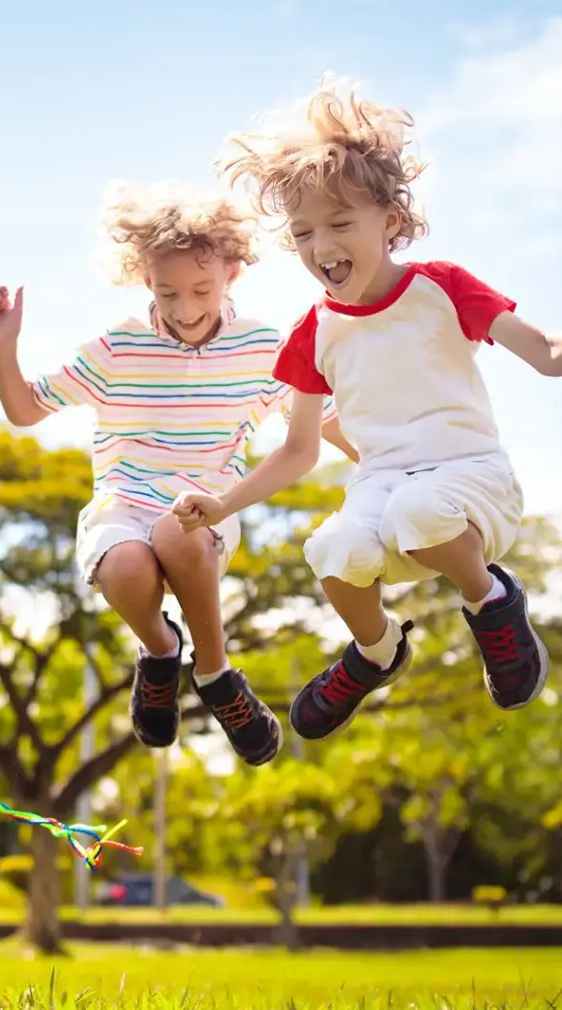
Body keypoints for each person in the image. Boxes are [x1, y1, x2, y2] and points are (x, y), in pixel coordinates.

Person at [174, 76, 558, 741]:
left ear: (392, 220)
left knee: (420, 509)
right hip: (385, 498)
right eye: (303, 232)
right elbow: (298, 449)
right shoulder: (312, 334)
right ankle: (377, 650)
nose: (322, 247)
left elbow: (545, 353)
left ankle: (490, 600)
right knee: (332, 546)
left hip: (472, 484)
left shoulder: (441, 288)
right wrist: (223, 503)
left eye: (341, 223)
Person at [0, 181, 354, 766]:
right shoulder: (116, 348)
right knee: (125, 564)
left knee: (175, 532)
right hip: (123, 503)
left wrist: (395, 464)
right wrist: (5, 346)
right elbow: (26, 410)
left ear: (232, 272)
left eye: (201, 288)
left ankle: (214, 672)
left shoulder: (263, 347)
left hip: (207, 507)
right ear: (143, 279)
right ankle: (159, 652)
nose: (184, 308)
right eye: (166, 291)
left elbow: (322, 426)